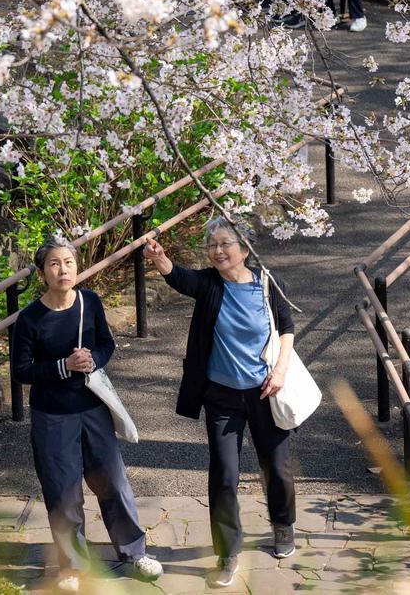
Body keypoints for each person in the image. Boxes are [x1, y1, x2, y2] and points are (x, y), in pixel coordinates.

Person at [143, 218, 297, 589]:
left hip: (265, 391)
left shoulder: (266, 283)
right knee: (224, 476)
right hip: (222, 397)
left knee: (276, 467)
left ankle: (283, 525)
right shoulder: (209, 284)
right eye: (212, 245)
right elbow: (178, 277)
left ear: (244, 248)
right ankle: (227, 552)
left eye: (225, 243)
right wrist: (159, 256)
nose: (217, 251)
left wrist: (280, 370)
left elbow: (287, 327)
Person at [10, 237, 163, 593]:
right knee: (63, 492)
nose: (63, 270)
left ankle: (135, 552)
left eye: (68, 262)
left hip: (93, 409)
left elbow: (106, 343)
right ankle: (72, 566)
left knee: (113, 482)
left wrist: (94, 359)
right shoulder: (30, 318)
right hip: (52, 416)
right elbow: (21, 370)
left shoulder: (89, 302)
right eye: (54, 264)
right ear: (41, 273)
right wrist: (63, 366)